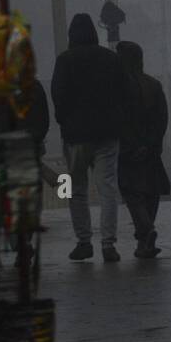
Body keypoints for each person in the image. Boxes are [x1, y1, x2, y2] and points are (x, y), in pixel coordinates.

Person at [50, 14, 128, 262]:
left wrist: (66, 123)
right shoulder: (110, 59)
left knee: (78, 190)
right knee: (107, 189)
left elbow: (58, 96)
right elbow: (123, 93)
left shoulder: (65, 61)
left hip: (76, 137)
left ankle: (84, 242)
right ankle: (108, 244)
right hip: (107, 134)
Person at [115, 41, 170, 258]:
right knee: (151, 192)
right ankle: (144, 240)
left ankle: (146, 231)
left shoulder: (119, 88)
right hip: (151, 148)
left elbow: (119, 120)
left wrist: (128, 145)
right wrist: (152, 144)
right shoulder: (154, 85)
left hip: (129, 149)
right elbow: (162, 119)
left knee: (131, 192)